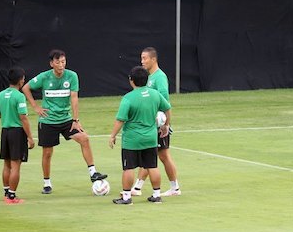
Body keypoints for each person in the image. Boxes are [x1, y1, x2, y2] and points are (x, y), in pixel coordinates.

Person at [22, 49, 107, 194]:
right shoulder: (44, 77)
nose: (61, 65)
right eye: (58, 62)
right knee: (47, 153)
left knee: (84, 139)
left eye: (63, 62)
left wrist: (75, 120)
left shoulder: (72, 76)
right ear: (51, 64)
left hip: (67, 119)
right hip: (48, 121)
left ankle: (93, 173)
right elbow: (26, 88)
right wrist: (35, 107)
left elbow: (74, 98)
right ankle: (47, 183)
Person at [109, 66, 171, 205]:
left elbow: (120, 120)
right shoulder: (155, 94)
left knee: (128, 168)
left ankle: (126, 197)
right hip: (150, 138)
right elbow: (167, 109)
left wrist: (113, 135)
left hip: (132, 140)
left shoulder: (128, 98)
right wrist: (166, 125)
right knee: (152, 166)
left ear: (131, 80)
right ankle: (156, 195)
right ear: (147, 79)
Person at [130, 47, 181, 197]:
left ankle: (174, 188)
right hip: (150, 123)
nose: (142, 61)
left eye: (145, 58)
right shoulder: (149, 76)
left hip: (158, 124)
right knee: (153, 154)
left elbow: (165, 101)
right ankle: (138, 187)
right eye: (141, 58)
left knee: (161, 155)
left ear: (153, 59)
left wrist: (165, 124)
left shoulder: (159, 77)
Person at [0, 67, 35, 204]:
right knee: (16, 165)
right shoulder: (19, 96)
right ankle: (12, 196)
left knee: (6, 164)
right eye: (23, 78)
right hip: (17, 133)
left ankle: (6, 192)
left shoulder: (0, 95)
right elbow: (23, 117)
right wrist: (30, 137)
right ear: (20, 80)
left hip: (5, 132)